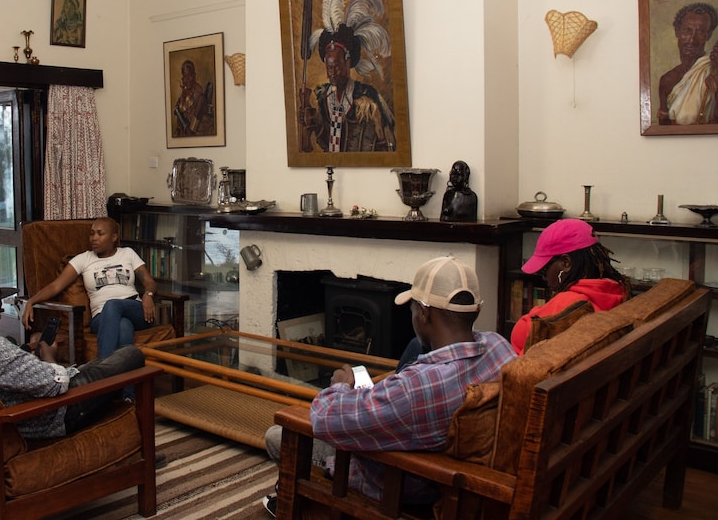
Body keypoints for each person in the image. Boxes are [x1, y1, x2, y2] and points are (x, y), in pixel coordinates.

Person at [261, 256, 516, 516]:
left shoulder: (416, 388)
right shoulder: (500, 347)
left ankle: (303, 505)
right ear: (476, 310)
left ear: (424, 312)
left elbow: (324, 418)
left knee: (276, 436)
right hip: (450, 468)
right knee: (414, 349)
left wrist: (341, 386)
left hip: (401, 481)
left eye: (413, 308)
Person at [0, 269, 146, 438]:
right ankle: (132, 421)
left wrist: (27, 356)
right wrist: (50, 356)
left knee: (102, 362)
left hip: (40, 396)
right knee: (131, 355)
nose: (0, 317)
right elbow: (57, 383)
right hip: (58, 410)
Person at [20, 217, 157, 398]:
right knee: (123, 326)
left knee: (114, 305)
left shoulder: (128, 254)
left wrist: (148, 295)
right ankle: (127, 395)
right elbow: (56, 286)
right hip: (101, 317)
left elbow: (149, 281)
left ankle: (101, 381)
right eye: (92, 234)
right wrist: (31, 301)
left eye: (100, 234)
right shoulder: (83, 259)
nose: (94, 238)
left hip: (135, 309)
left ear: (114, 237)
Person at [510, 218, 630, 354]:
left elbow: (523, 332)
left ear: (566, 263)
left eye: (544, 270)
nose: (544, 278)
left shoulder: (570, 304)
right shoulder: (618, 290)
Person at [299, 24, 396, 153]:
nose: (332, 73)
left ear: (347, 63)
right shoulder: (321, 99)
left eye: (336, 66)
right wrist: (308, 125)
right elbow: (313, 144)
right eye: (329, 67)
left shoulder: (367, 97)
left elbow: (387, 143)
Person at [657, 2, 718, 125]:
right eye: (687, 30)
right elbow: (663, 129)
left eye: (700, 32)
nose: (692, 39)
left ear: (708, 35)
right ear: (677, 31)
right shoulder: (667, 80)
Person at [172, 60, 214, 136]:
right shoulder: (184, 94)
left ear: (194, 76)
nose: (187, 79)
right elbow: (177, 109)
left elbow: (191, 130)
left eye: (190, 76)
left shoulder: (200, 97)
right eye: (185, 76)